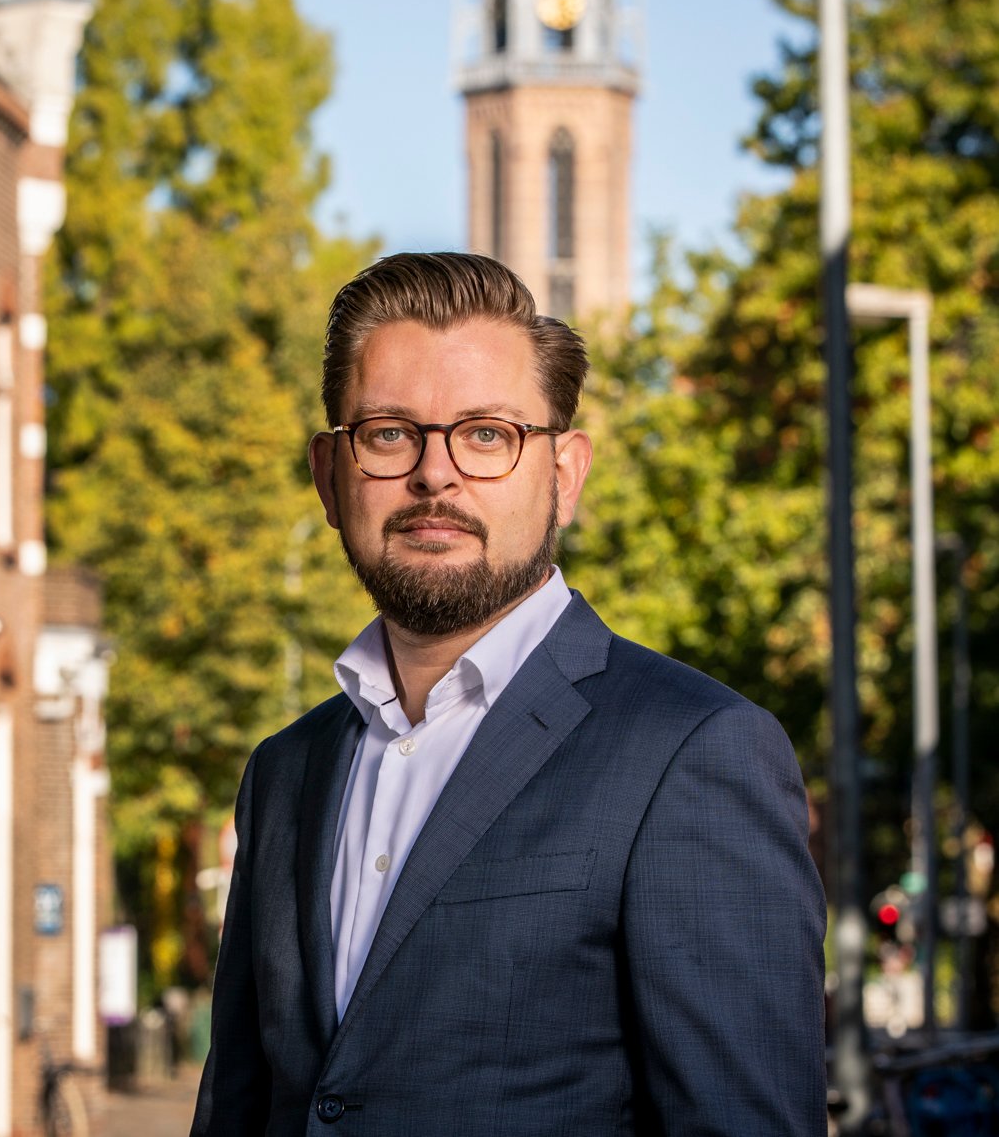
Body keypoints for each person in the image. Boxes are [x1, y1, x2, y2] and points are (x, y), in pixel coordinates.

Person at [191, 253, 825, 1135]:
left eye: (487, 433)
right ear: (330, 476)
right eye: (388, 433)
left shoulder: (694, 751)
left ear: (565, 472)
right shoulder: (284, 773)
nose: (435, 474)